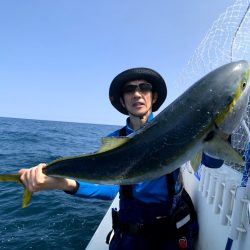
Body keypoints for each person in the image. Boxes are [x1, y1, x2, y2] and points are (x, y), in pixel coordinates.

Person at [19, 67, 225, 250]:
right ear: (122, 101)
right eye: (129, 90)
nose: (137, 94)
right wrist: (59, 183)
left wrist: (221, 131)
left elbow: (212, 163)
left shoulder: (173, 130)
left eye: (144, 87)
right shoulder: (114, 142)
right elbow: (111, 188)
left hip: (170, 232)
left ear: (153, 97)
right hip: (130, 236)